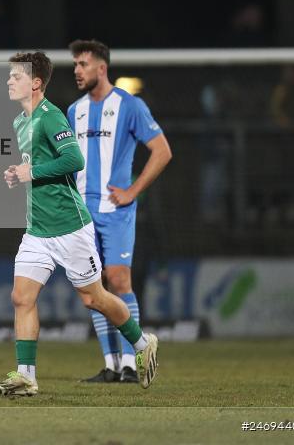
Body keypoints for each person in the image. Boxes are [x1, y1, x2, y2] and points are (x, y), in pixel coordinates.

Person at [0, 52, 158, 397]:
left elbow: (74, 159)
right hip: (37, 230)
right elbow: (36, 168)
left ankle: (142, 344)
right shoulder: (21, 122)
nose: (9, 81)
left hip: (70, 228)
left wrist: (30, 172)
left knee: (94, 298)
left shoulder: (50, 117)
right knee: (21, 297)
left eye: (15, 76)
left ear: (35, 83)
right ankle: (26, 375)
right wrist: (18, 175)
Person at [67, 40, 172, 383]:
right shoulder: (74, 111)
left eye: (83, 64)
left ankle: (132, 360)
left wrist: (132, 190)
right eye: (75, 65)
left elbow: (161, 151)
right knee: (91, 289)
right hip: (81, 213)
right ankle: (111, 365)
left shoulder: (130, 105)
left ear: (102, 68)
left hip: (115, 210)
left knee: (118, 279)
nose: (77, 71)